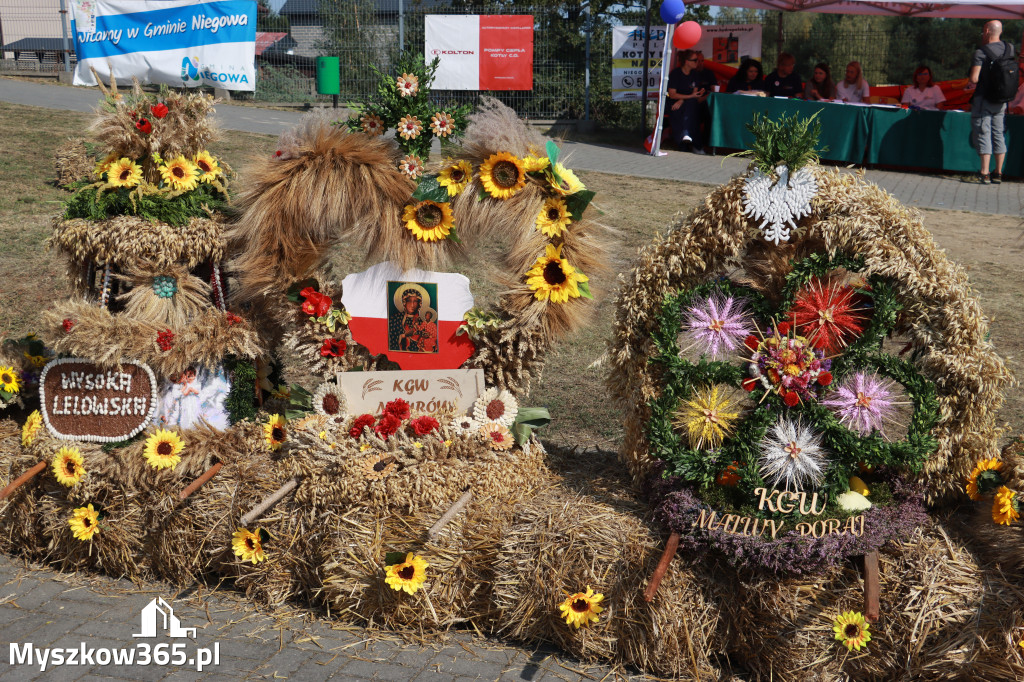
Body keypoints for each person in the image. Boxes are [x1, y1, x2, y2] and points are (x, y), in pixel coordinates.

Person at [965, 20, 1013, 184]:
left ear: (986, 31)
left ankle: (984, 173)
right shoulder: (1010, 48)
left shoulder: (981, 52)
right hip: (1002, 99)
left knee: (983, 133)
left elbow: (974, 78)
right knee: (999, 134)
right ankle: (998, 173)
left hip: (983, 99)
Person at [666, 49, 708, 154]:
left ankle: (686, 136)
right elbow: (672, 94)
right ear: (687, 61)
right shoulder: (675, 74)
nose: (697, 63)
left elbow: (694, 94)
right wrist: (681, 99)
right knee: (687, 110)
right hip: (674, 103)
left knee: (691, 105)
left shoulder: (695, 74)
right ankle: (696, 145)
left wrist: (681, 100)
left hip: (685, 102)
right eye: (695, 60)